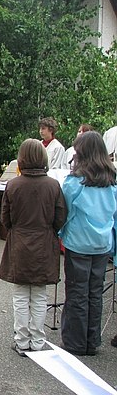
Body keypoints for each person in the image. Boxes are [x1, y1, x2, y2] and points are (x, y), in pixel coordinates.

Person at [0, 139, 67, 357]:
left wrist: (18, 229)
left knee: (20, 295)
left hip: (20, 242)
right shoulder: (53, 185)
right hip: (44, 243)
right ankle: (37, 341)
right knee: (39, 295)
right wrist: (48, 230)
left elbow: (5, 219)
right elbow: (60, 216)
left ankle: (21, 340)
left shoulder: (14, 185)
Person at [59, 131, 117, 356]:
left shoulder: (75, 182)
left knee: (77, 292)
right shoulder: (111, 181)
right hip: (102, 243)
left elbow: (65, 212)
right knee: (95, 292)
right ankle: (92, 341)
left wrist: (60, 233)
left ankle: (75, 342)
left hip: (79, 242)